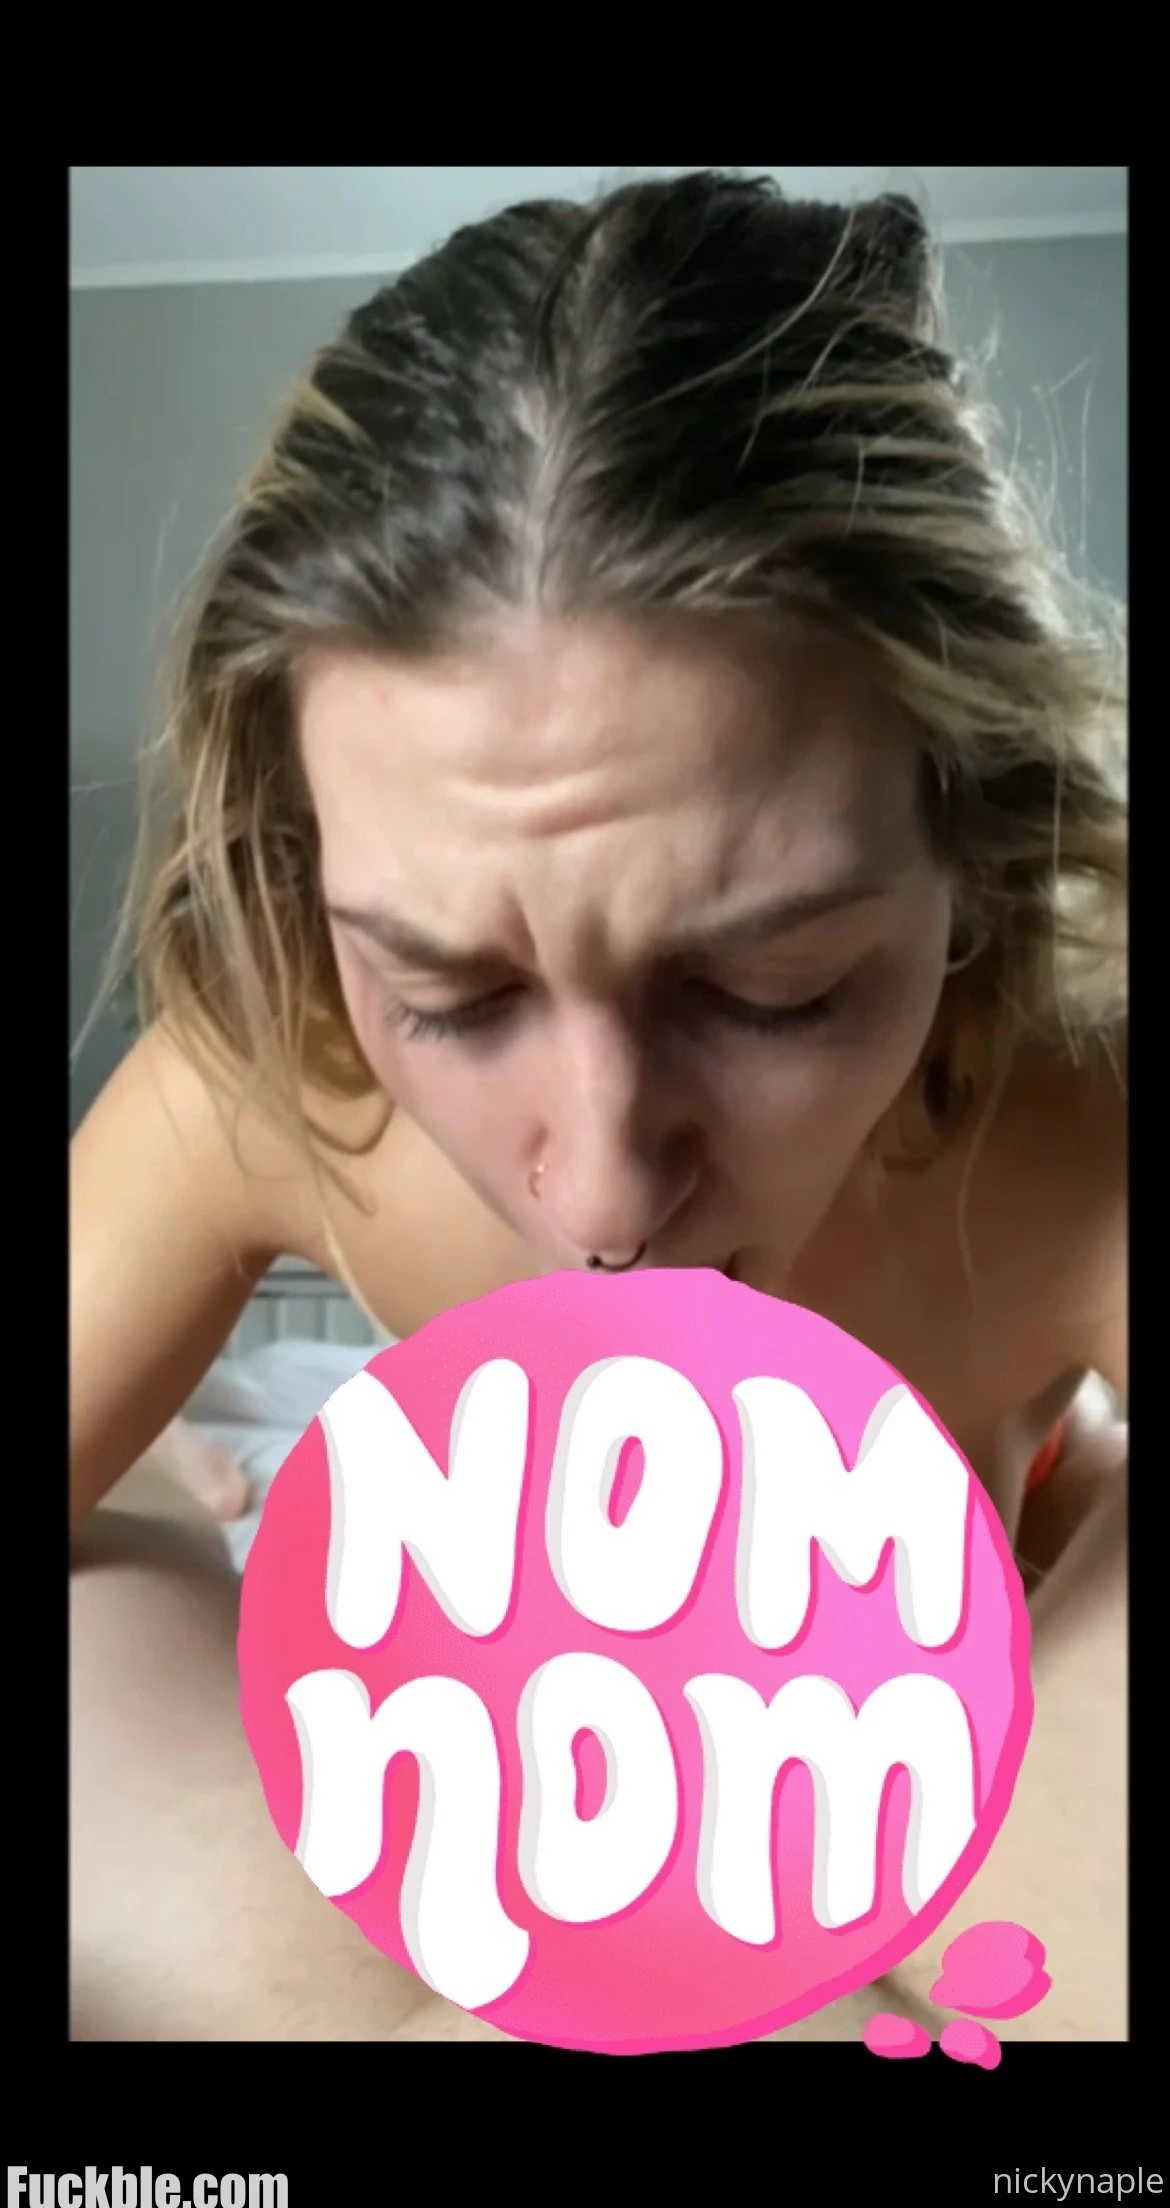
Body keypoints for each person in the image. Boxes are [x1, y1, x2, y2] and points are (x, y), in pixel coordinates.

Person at [69, 170, 1127, 2043]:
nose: (607, 1193)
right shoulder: (279, 1077)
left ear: (973, 856)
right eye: (450, 997)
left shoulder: (1074, 1129)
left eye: (773, 990)